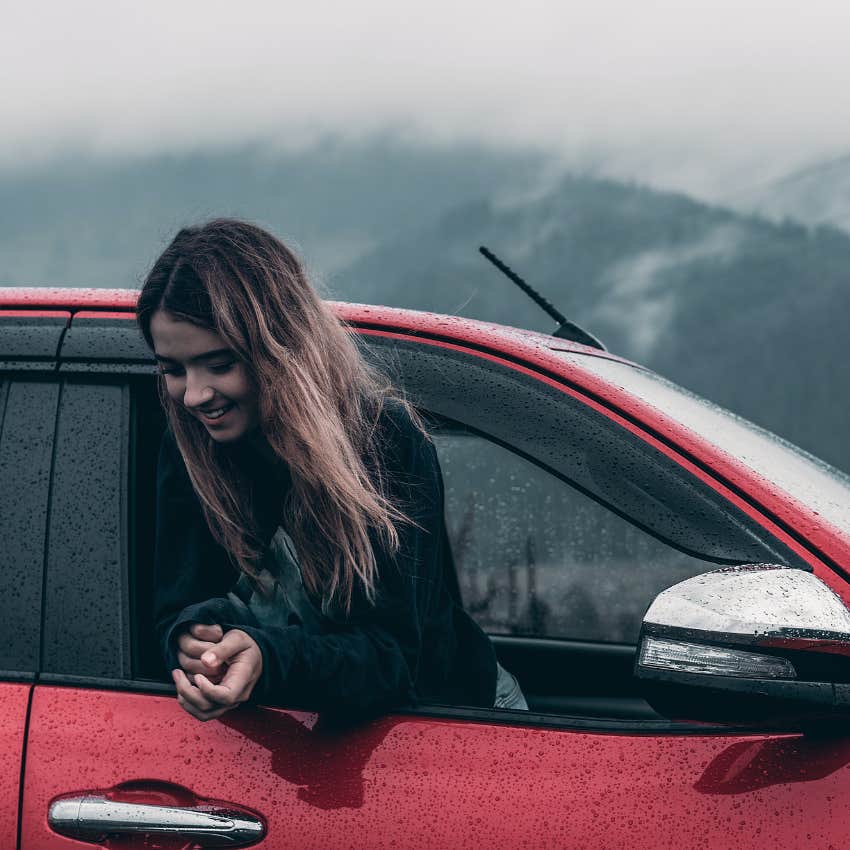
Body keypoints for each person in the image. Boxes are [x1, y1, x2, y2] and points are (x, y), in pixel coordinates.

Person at [136, 218, 527, 722]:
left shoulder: (382, 441)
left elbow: (392, 660)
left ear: (279, 348)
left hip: (448, 727)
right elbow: (180, 603)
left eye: (219, 364)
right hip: (289, 741)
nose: (194, 395)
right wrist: (191, 640)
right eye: (173, 370)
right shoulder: (188, 444)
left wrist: (267, 659)